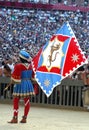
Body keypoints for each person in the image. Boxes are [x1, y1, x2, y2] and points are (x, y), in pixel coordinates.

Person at [8, 50, 35, 123]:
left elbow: (15, 77)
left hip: (20, 84)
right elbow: (33, 77)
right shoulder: (31, 66)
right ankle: (25, 118)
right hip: (28, 84)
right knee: (27, 101)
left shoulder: (18, 66)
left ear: (20, 58)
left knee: (16, 100)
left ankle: (15, 118)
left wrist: (12, 79)